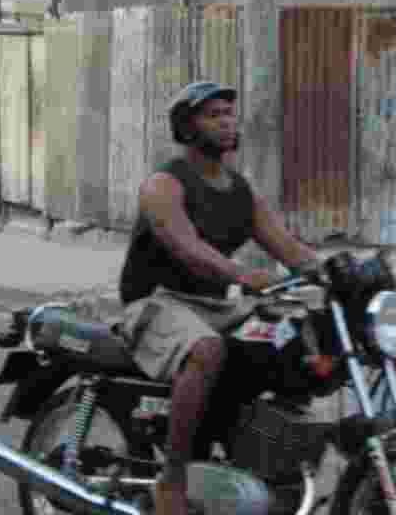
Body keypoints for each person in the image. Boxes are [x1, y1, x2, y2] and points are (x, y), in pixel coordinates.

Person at [117, 81, 322, 515]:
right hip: (157, 302)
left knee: (288, 338)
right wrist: (244, 276)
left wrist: (337, 272)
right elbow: (188, 247)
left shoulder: (239, 191)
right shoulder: (164, 184)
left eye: (229, 113)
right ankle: (171, 482)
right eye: (214, 115)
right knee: (207, 349)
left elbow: (289, 248)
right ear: (188, 127)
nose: (227, 122)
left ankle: (260, 461)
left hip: (212, 305)